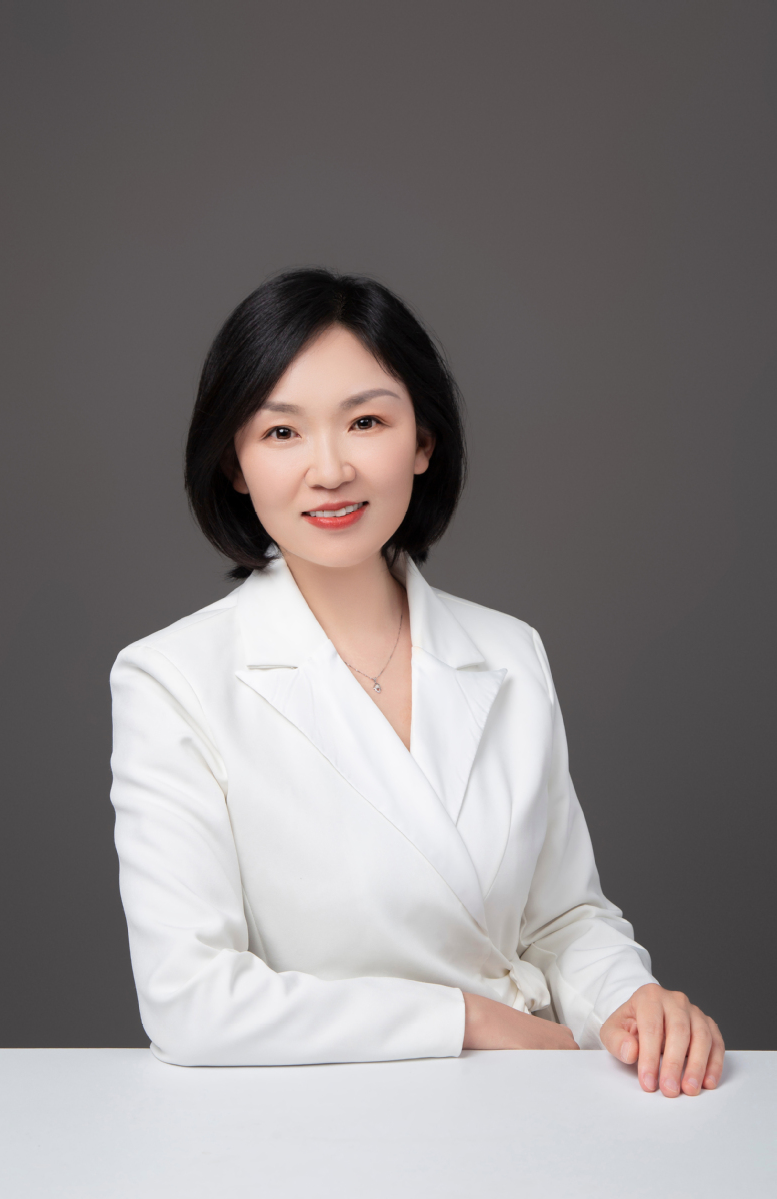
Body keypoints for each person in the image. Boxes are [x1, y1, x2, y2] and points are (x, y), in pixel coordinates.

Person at [110, 268, 724, 1096]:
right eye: (282, 432)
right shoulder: (172, 678)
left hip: (528, 1111)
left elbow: (561, 918)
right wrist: (466, 1019)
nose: (329, 469)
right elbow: (191, 1002)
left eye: (365, 421)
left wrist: (633, 1004)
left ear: (423, 441)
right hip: (303, 1127)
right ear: (235, 463)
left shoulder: (509, 652)